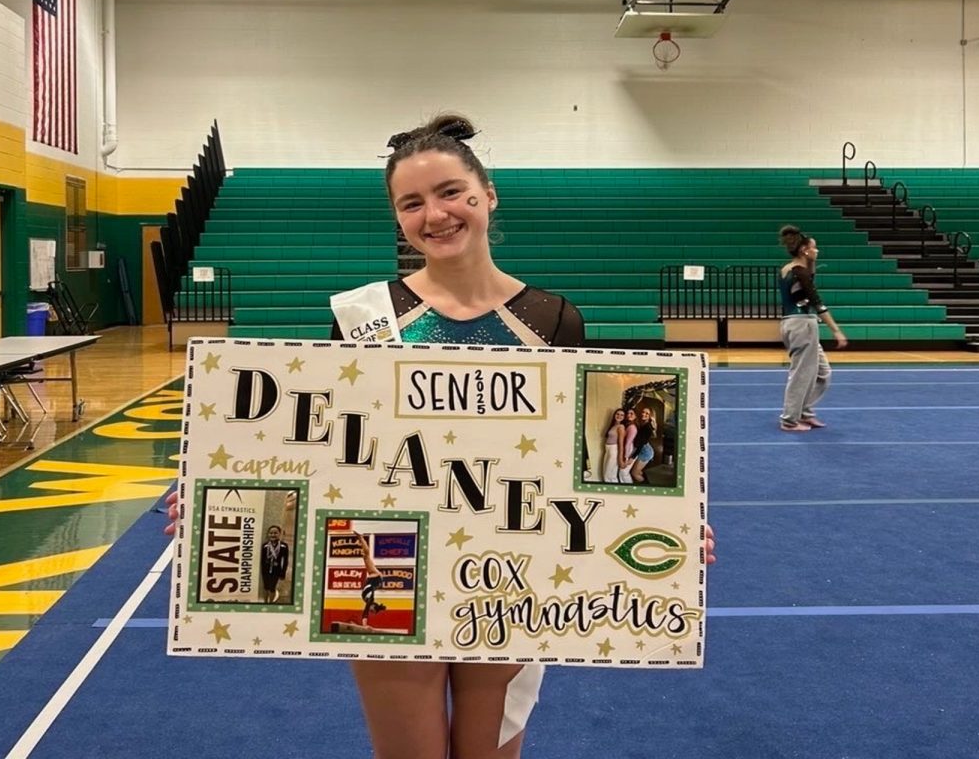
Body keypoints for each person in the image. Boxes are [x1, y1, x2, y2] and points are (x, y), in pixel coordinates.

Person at [166, 113, 717, 759]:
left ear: (487, 193)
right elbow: (323, 446)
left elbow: (578, 460)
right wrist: (223, 499)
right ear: (398, 218)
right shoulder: (363, 318)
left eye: (451, 192)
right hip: (380, 565)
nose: (435, 214)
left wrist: (661, 522)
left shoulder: (553, 319)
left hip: (508, 571)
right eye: (412, 203)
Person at [777, 224, 848, 432]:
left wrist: (812, 264)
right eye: (814, 248)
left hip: (795, 322)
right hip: (802, 325)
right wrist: (836, 330)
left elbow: (805, 292)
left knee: (823, 373)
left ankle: (804, 412)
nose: (817, 251)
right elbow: (816, 302)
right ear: (804, 250)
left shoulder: (791, 269)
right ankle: (789, 419)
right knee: (802, 374)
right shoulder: (799, 272)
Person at [353, 532, 387, 627]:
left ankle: (361, 539)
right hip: (375, 577)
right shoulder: (370, 599)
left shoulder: (368, 599)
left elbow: (367, 610)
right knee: (366, 555)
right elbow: (365, 612)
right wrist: (365, 625)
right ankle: (361, 538)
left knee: (365, 555)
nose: (370, 610)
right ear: (373, 606)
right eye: (372, 610)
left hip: (376, 579)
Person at [261, 524, 289, 604]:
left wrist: (283, 573)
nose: (273, 535)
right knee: (266, 587)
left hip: (276, 570)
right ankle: (265, 601)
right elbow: (262, 560)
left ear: (279, 534)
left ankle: (271, 602)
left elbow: (286, 561)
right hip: (266, 570)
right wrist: (262, 570)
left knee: (272, 587)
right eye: (271, 533)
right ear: (268, 534)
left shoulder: (284, 546)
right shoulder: (265, 546)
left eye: (275, 533)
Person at [630, 405, 656, 484]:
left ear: (650, 416)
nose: (643, 414)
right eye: (643, 412)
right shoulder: (644, 424)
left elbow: (641, 444)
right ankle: (645, 480)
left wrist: (633, 456)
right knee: (638, 471)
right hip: (645, 449)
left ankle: (647, 489)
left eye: (647, 413)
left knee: (634, 473)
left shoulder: (647, 427)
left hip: (645, 451)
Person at [602, 409, 625, 484]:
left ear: (624, 417)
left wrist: (620, 458)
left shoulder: (621, 427)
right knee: (608, 474)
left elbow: (621, 444)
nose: (619, 416)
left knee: (608, 476)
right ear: (614, 415)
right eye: (617, 414)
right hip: (608, 450)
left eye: (622, 415)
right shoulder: (614, 425)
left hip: (614, 451)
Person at [617, 407, 637, 484]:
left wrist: (625, 457)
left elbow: (628, 443)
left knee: (623, 473)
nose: (629, 415)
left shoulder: (632, 427)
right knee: (622, 473)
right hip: (628, 450)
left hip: (629, 451)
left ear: (635, 416)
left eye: (631, 413)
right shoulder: (628, 425)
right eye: (628, 413)